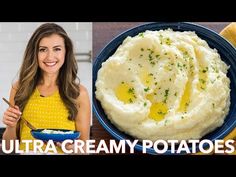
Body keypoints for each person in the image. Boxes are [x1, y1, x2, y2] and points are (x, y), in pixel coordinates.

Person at [2, 23, 91, 154]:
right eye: (43, 49)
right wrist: (10, 126)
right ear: (34, 53)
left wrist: (71, 148)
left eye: (57, 49)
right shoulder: (20, 87)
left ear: (66, 52)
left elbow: (84, 150)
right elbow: (9, 147)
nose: (50, 57)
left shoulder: (79, 93)